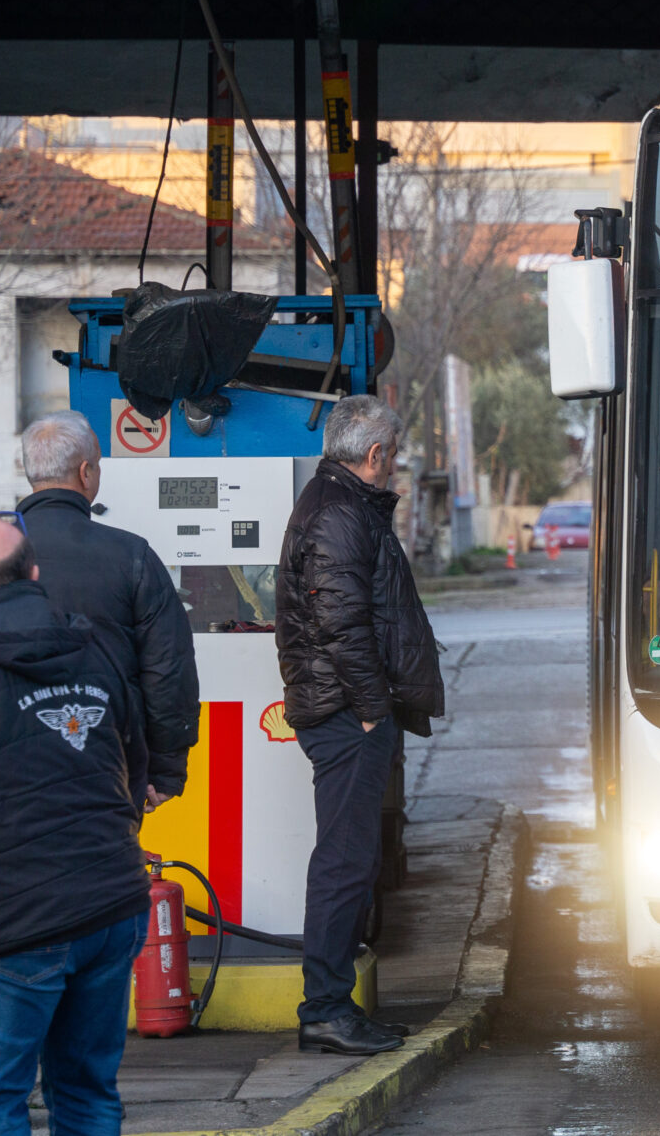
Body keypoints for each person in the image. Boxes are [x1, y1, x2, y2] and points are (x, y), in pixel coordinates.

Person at [0, 514, 149, 1136]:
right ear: (34, 575)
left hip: (7, 926)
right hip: (110, 907)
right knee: (88, 1091)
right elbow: (135, 766)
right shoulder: (96, 650)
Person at [277, 396, 443, 1056]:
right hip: (348, 716)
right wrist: (374, 709)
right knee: (346, 862)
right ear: (376, 455)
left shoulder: (339, 504)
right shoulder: (341, 514)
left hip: (349, 711)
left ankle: (332, 1004)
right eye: (394, 455)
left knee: (351, 858)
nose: (395, 465)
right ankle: (324, 1008)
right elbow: (342, 626)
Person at [17, 410, 199, 813]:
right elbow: (167, 667)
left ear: (32, 473)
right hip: (109, 763)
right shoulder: (131, 555)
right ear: (86, 473)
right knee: (104, 871)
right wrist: (165, 768)